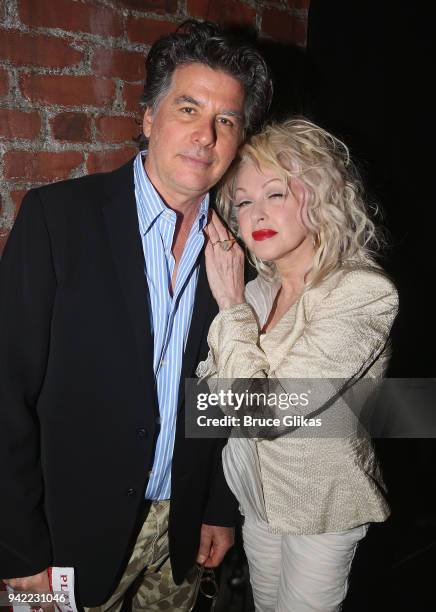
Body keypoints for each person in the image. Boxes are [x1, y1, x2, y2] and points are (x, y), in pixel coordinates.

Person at [0, 20, 272, 610]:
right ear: (148, 117)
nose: (205, 135)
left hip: (178, 529)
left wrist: (216, 509)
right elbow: (6, 389)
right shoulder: (56, 220)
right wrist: (17, 548)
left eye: (226, 120)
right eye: (188, 108)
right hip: (61, 537)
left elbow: (220, 396)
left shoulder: (238, 254)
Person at [198, 118, 399, 611]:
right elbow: (207, 397)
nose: (255, 213)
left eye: (276, 194)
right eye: (243, 201)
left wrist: (229, 309)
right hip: (254, 493)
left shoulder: (360, 293)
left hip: (320, 506)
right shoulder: (257, 291)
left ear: (320, 196)